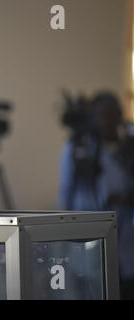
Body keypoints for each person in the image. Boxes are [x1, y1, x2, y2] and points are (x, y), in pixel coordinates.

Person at [59, 92, 134, 299]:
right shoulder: (79, 147)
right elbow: (66, 192)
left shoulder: (129, 145)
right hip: (88, 237)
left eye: (113, 114)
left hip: (126, 237)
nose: (108, 120)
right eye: (103, 114)